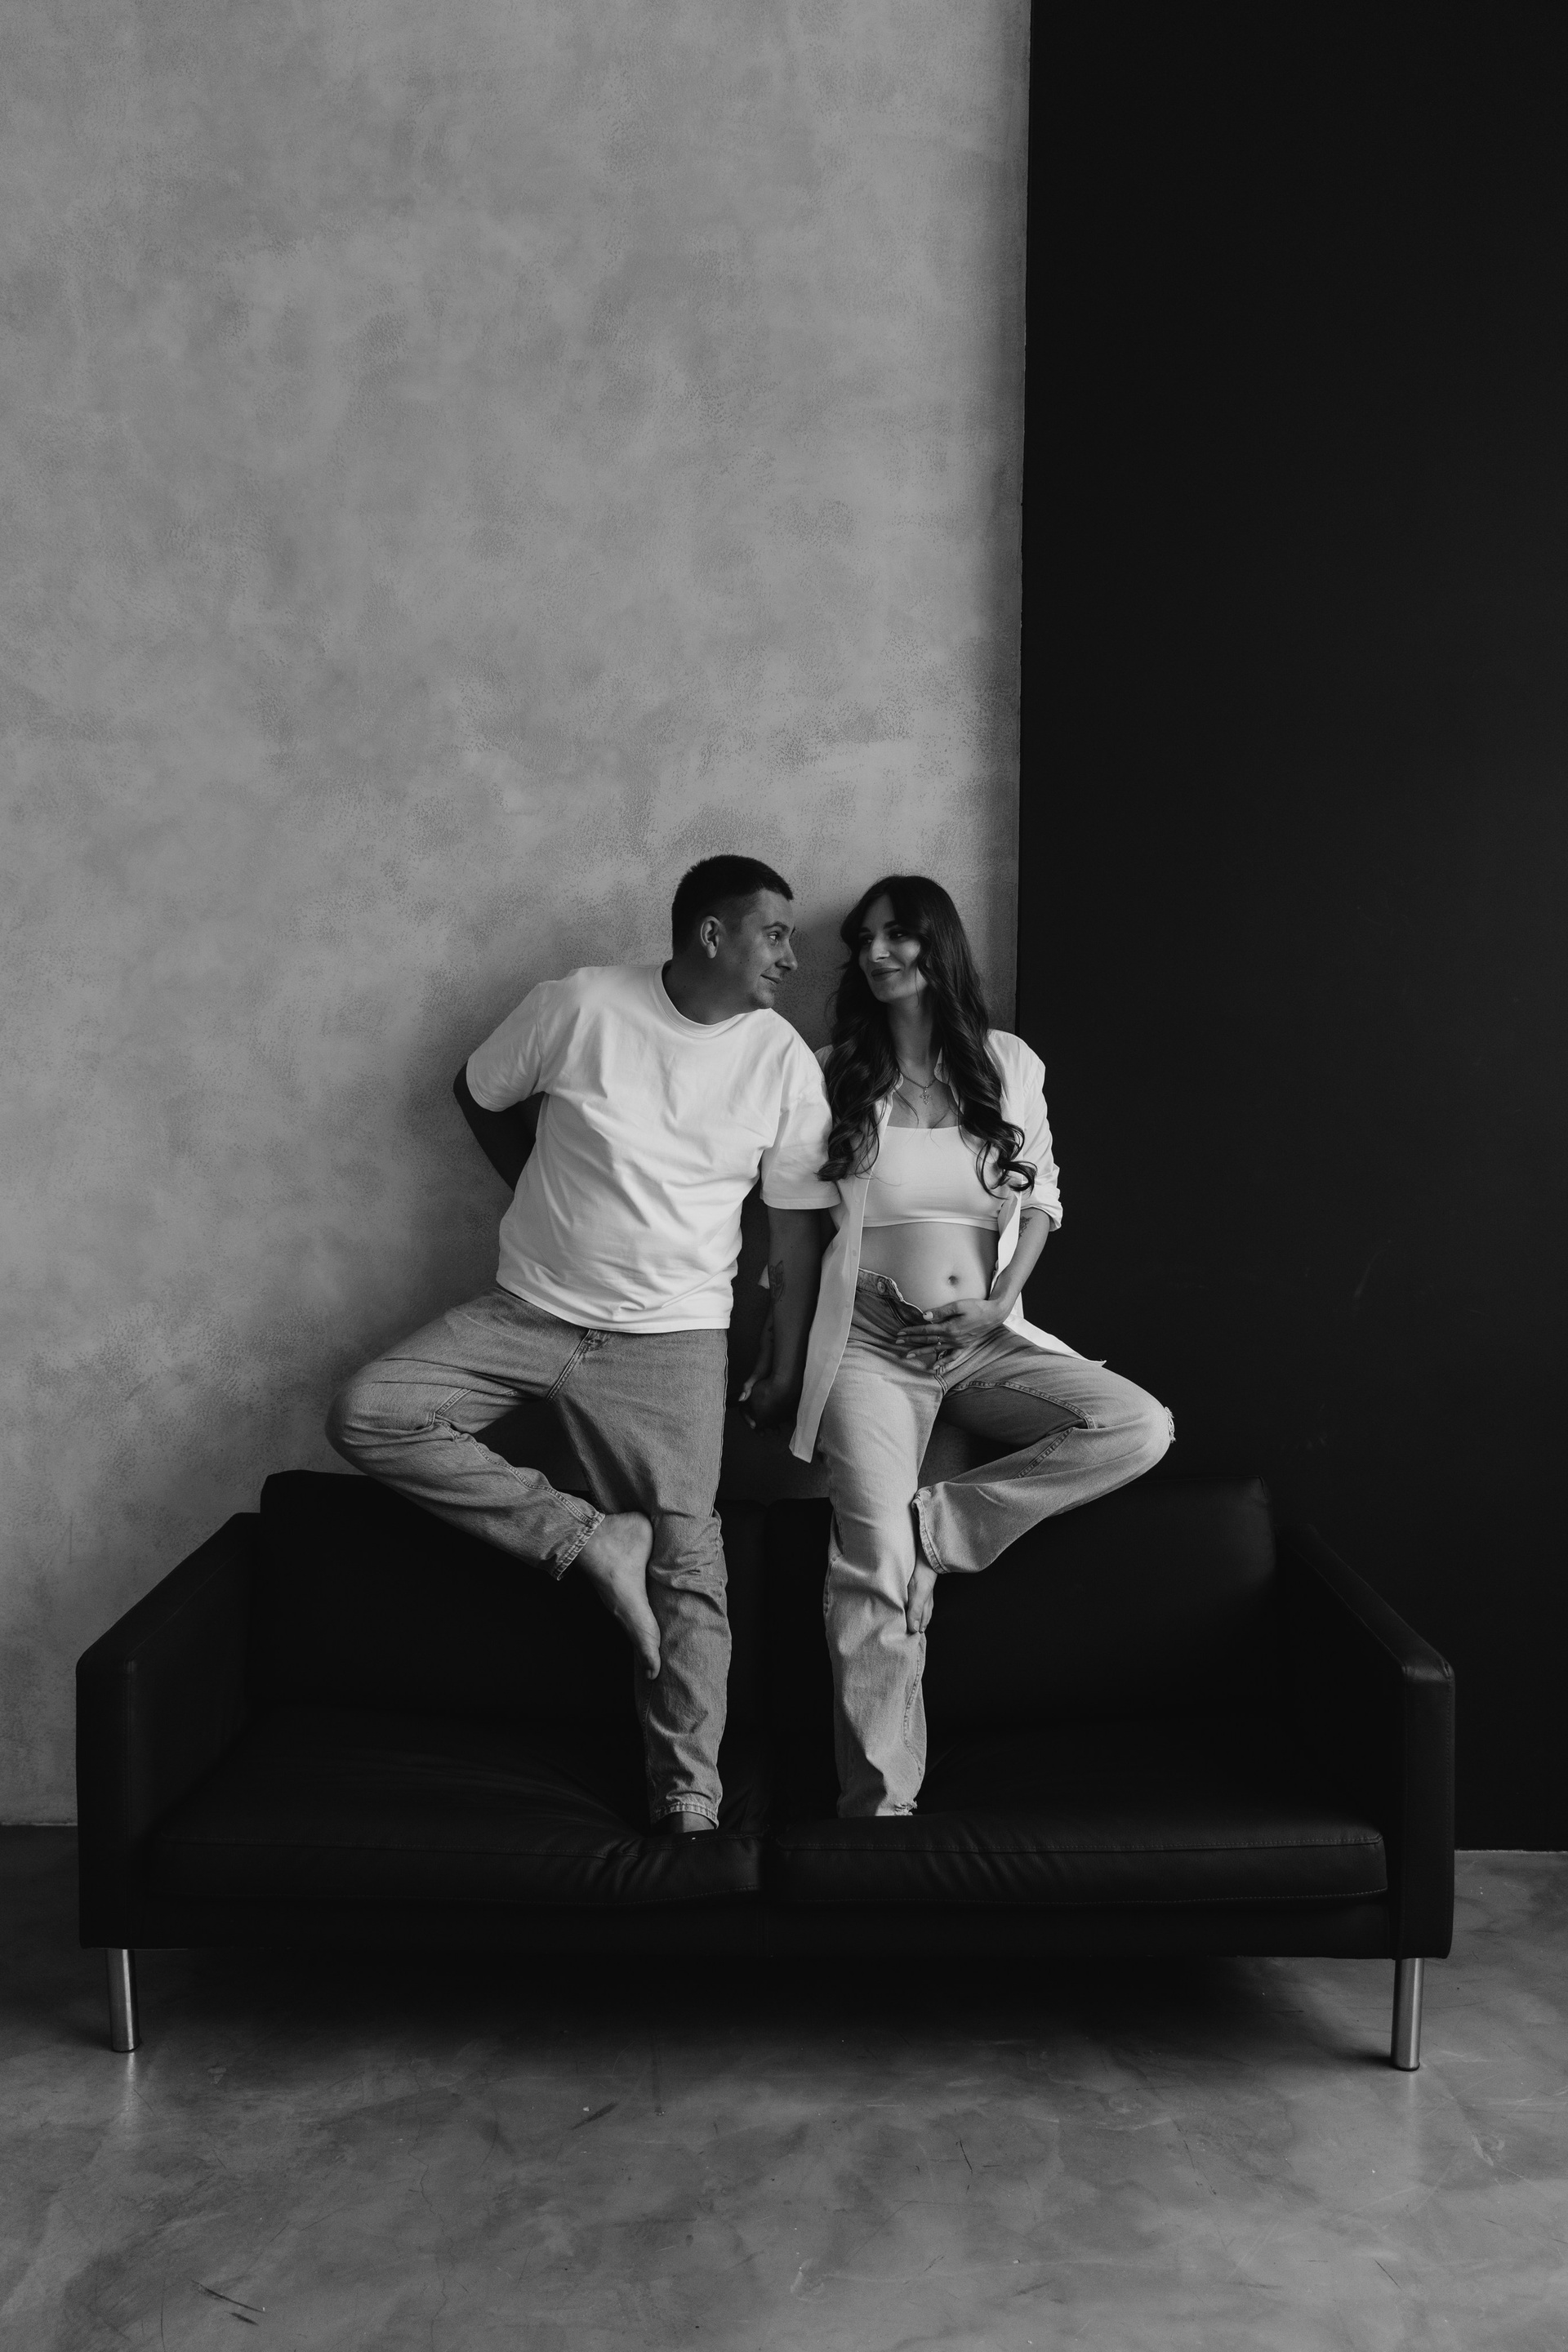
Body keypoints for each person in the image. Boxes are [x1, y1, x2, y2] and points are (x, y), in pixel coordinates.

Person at [327, 855, 837, 1835]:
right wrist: (532, 1188)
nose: (790, 956)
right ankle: (590, 1540)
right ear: (712, 934)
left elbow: (796, 1229)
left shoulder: (780, 1060)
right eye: (774, 933)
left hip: (675, 1341)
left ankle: (687, 1796)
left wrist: (782, 1356)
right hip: (525, 1312)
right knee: (370, 1412)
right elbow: (478, 1089)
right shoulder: (580, 1006)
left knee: (690, 1565)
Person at [752, 875, 1172, 1820]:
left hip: (984, 1339)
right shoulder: (829, 1073)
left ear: (938, 945)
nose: (875, 954)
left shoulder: (1007, 1063)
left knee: (1136, 1427)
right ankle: (879, 1810)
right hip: (869, 1343)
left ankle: (937, 1533)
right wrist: (781, 1363)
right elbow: (793, 1239)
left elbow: (1043, 1198)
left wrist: (999, 1303)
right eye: (864, 940)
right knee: (871, 1568)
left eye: (897, 935)